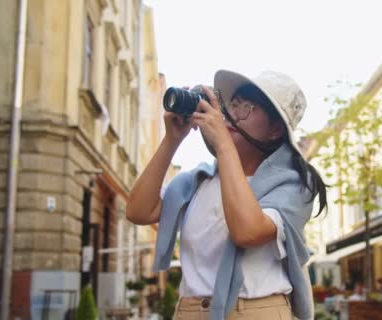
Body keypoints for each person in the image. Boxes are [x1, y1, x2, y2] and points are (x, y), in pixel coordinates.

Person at [126, 69, 327, 320]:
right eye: (232, 105)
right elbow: (137, 211)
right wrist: (172, 140)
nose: (232, 115)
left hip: (255, 312)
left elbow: (247, 231)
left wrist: (222, 144)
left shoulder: (294, 186)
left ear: (275, 129)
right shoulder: (198, 181)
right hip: (189, 311)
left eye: (246, 107)